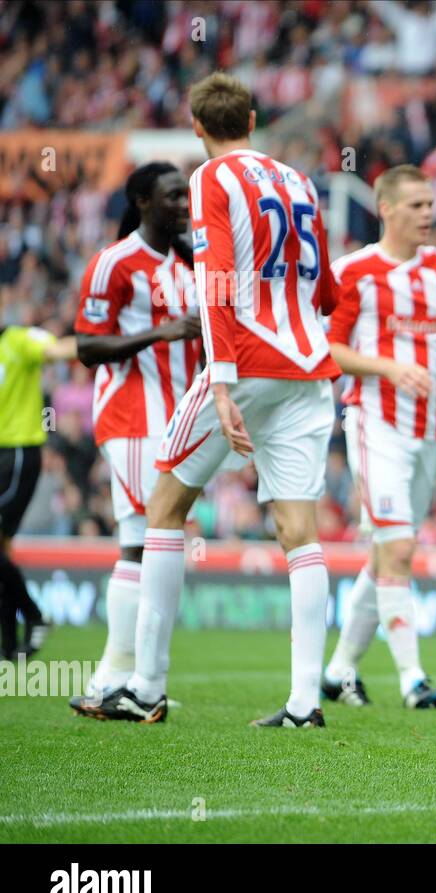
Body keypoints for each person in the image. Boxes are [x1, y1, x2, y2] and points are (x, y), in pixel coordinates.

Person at [82, 72, 341, 727]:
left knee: (164, 505)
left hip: (248, 358)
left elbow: (219, 282)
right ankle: (305, 701)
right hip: (311, 366)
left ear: (197, 129)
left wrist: (222, 382)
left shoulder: (211, 180)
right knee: (300, 533)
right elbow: (330, 288)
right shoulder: (300, 182)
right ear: (253, 118)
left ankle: (145, 684)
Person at [321, 164, 436, 709]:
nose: (429, 214)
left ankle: (339, 671)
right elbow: (328, 348)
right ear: (387, 209)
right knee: (397, 547)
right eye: (418, 205)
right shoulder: (352, 271)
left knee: (387, 554)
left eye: (431, 204)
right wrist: (387, 368)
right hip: (376, 423)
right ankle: (412, 680)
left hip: (433, 427)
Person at [67, 162, 202, 712]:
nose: (184, 205)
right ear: (142, 201)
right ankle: (120, 679)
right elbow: (85, 347)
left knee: (151, 543)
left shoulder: (188, 263)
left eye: (186, 196)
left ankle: (129, 681)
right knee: (141, 541)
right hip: (132, 418)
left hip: (179, 418)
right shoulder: (114, 263)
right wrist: (162, 331)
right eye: (173, 197)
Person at [0, 326, 77, 660]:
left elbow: (58, 350)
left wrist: (101, 341)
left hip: (18, 453)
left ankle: (33, 614)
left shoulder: (17, 340)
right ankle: (8, 646)